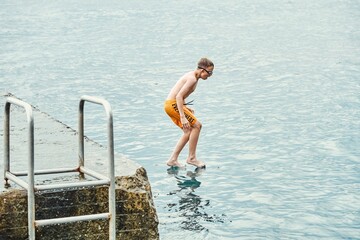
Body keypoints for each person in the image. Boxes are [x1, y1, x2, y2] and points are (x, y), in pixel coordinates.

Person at [164, 57, 214, 168]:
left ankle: (172, 159)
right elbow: (178, 96)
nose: (210, 76)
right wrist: (183, 116)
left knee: (188, 131)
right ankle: (192, 158)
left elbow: (181, 94)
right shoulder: (192, 79)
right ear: (202, 70)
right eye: (209, 73)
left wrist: (185, 107)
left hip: (171, 104)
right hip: (172, 104)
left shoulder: (194, 77)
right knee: (197, 126)